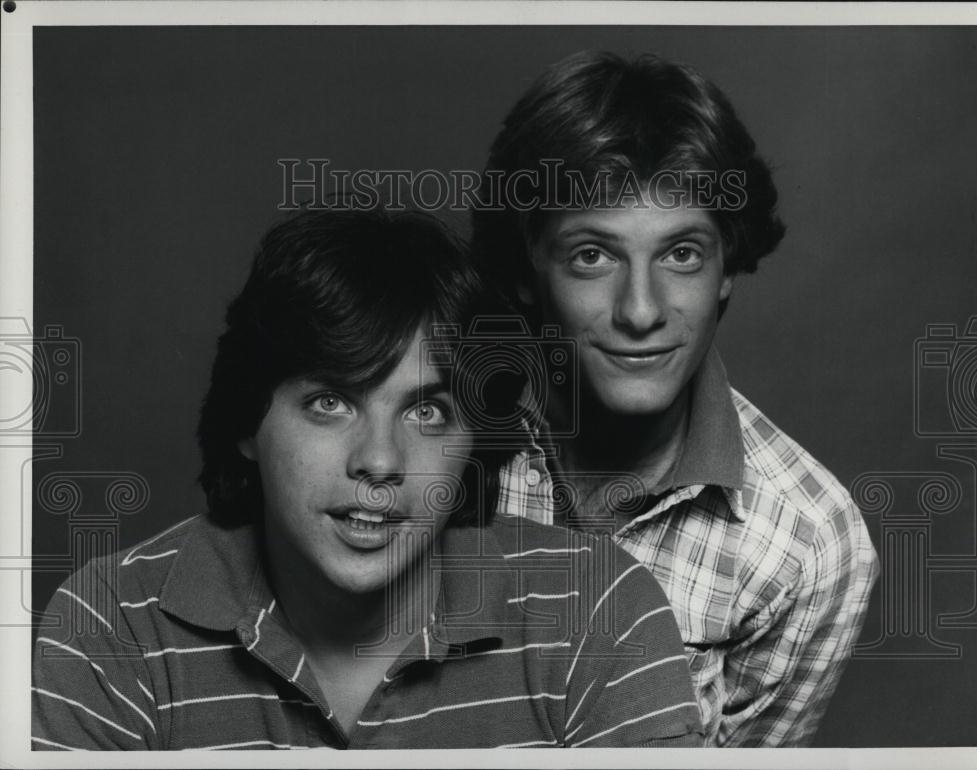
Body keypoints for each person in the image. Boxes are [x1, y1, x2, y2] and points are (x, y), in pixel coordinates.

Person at [31, 208, 703, 750]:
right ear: (246, 422)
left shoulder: (597, 609)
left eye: (429, 411)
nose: (379, 460)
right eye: (331, 402)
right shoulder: (111, 625)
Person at [472, 50, 880, 747]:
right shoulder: (422, 439)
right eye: (592, 256)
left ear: (728, 266)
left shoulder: (810, 545)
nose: (641, 310)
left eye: (681, 254)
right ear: (526, 267)